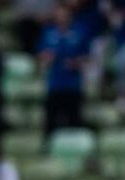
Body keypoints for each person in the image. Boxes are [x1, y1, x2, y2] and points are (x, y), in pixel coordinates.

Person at [38, 4, 90, 137]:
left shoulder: (79, 32)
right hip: (54, 85)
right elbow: (41, 56)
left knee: (74, 123)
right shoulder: (48, 33)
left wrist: (76, 63)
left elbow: (87, 58)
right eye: (59, 13)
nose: (62, 17)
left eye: (64, 14)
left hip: (73, 85)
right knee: (51, 123)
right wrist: (46, 58)